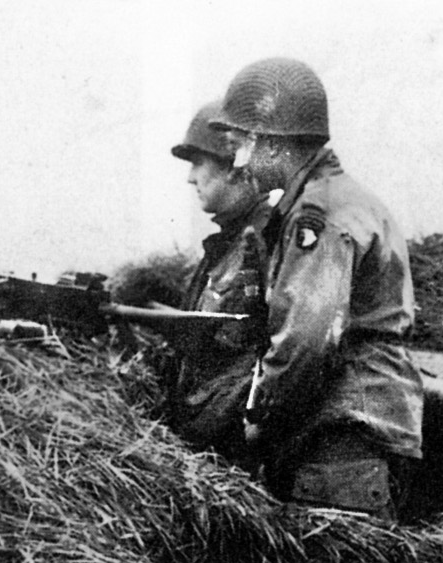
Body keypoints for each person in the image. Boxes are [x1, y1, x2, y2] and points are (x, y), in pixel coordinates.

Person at [210, 57, 425, 520]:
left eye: (239, 146)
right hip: (359, 427)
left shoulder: (319, 215)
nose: (239, 164)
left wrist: (258, 416)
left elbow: (305, 338)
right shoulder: (336, 200)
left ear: (273, 144)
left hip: (344, 436)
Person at [159, 99, 273, 464]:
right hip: (206, 450)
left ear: (233, 167)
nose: (190, 177)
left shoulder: (266, 241)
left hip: (234, 458)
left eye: (197, 162)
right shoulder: (225, 247)